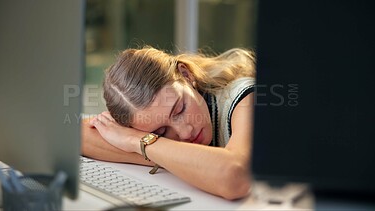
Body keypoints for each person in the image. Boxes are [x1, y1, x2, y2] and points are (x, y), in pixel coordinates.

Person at [82, 46, 256, 200]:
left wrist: (137, 141)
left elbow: (235, 176)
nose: (185, 133)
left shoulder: (244, 97)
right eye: (161, 132)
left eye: (180, 109)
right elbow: (79, 134)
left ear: (186, 75)